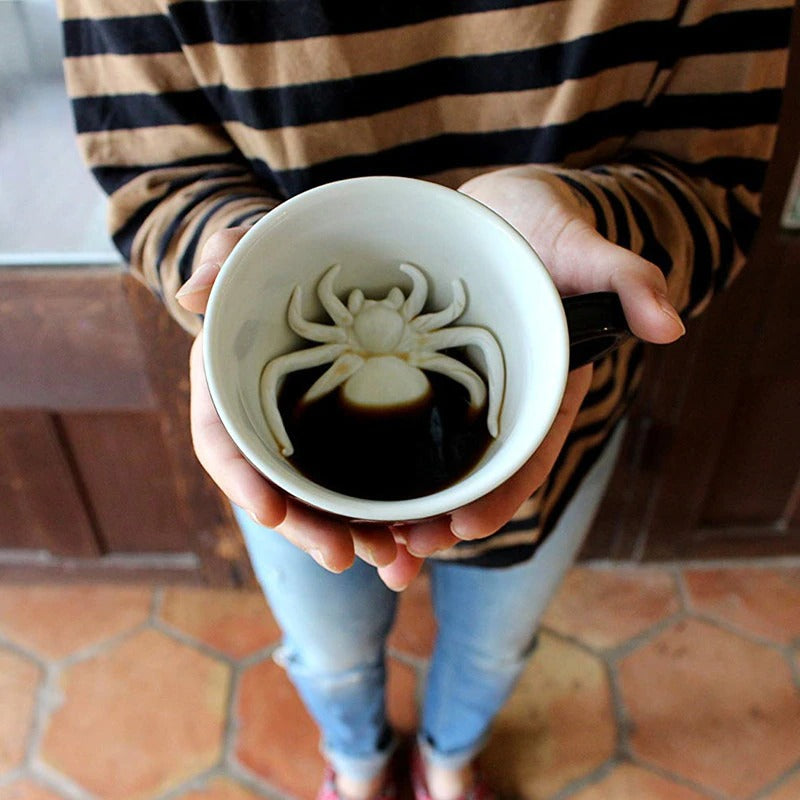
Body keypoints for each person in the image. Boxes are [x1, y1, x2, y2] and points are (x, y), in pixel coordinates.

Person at [58, 1, 792, 798]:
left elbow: (715, 183)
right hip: (284, 465)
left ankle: (448, 758)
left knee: (493, 647)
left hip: (557, 430)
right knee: (328, 648)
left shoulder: (390, 335)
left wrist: (587, 228)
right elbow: (151, 180)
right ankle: (358, 758)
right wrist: (241, 257)